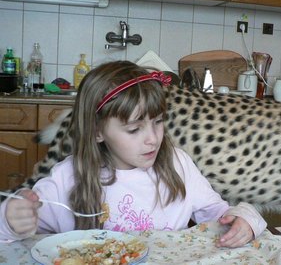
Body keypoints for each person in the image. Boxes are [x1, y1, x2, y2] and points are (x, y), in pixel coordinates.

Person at [0, 61, 266, 247]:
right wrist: (12, 220)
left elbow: (221, 215)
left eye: (158, 122)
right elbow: (9, 237)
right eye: (134, 129)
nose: (153, 139)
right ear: (97, 131)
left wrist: (247, 219)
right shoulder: (66, 178)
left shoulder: (178, 165)